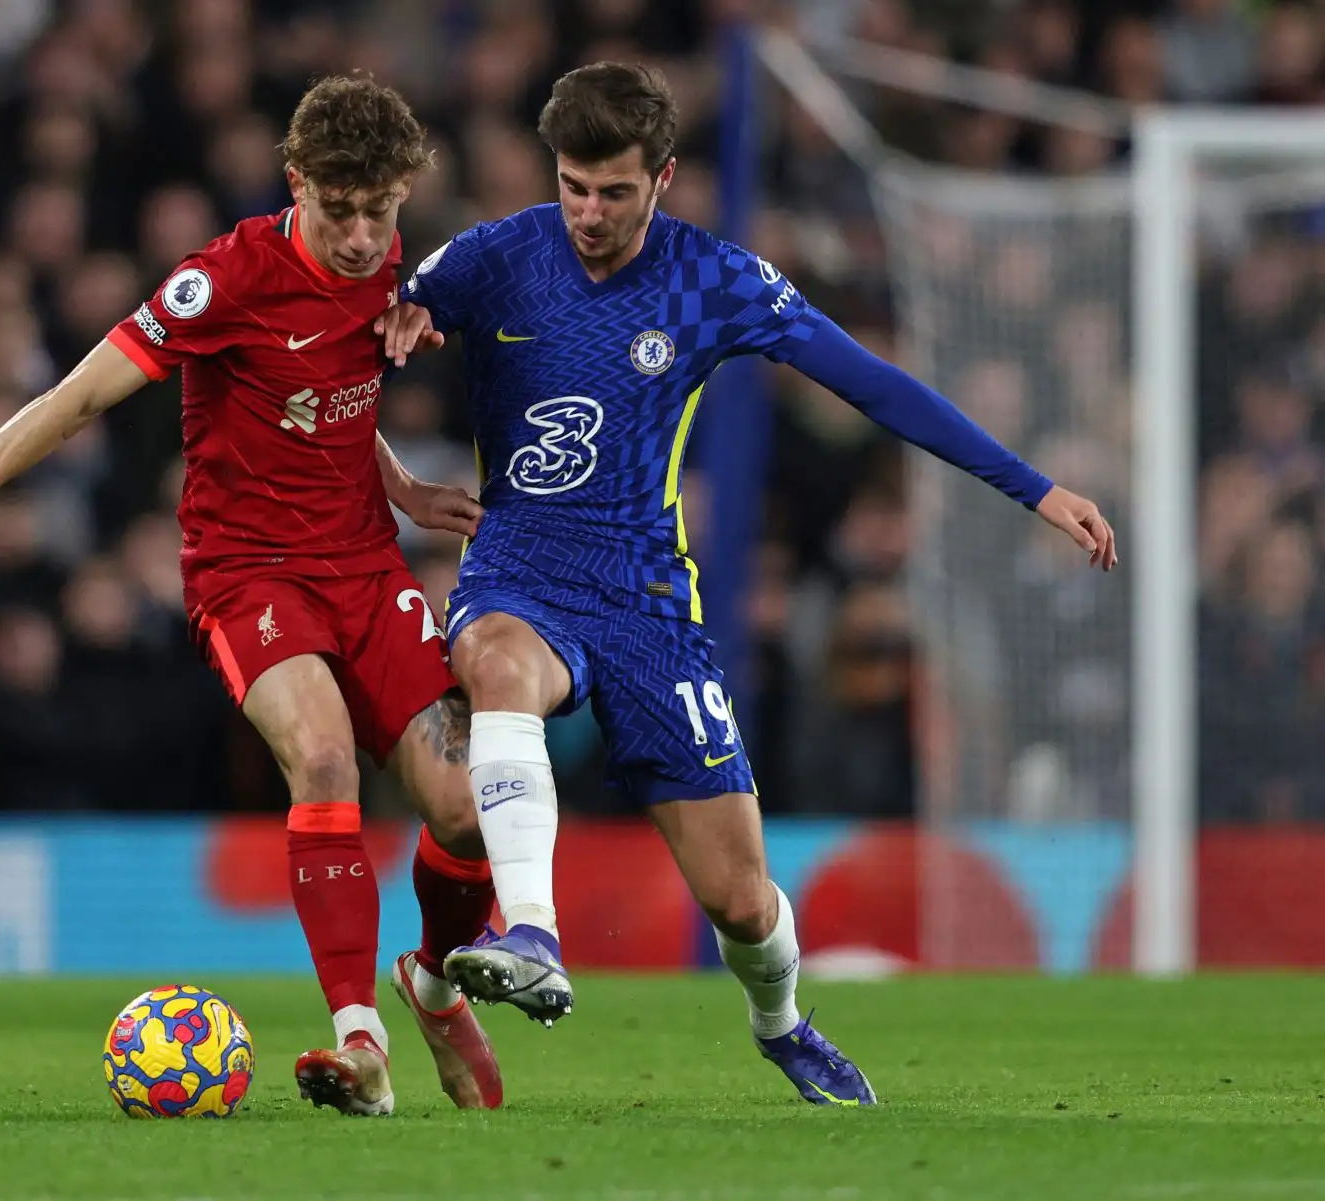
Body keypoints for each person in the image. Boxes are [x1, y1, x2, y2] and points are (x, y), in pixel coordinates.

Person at [379, 62, 1118, 1106]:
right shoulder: (492, 259)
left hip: (645, 603)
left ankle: (784, 1025)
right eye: (573, 187)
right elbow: (339, 332)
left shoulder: (714, 280)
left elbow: (874, 384)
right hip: (519, 566)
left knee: (740, 900)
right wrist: (396, 414)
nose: (588, 213)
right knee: (497, 666)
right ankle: (533, 930)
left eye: (615, 192)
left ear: (666, 177)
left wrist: (1034, 489)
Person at [0, 76, 504, 1117]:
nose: (363, 236)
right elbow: (72, 398)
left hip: (368, 568)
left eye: (384, 211)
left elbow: (314, 394)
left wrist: (401, 483)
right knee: (323, 757)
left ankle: (426, 982)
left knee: (469, 811)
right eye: (342, 212)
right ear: (298, 185)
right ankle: (360, 1040)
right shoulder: (224, 279)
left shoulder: (393, 276)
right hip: (252, 576)